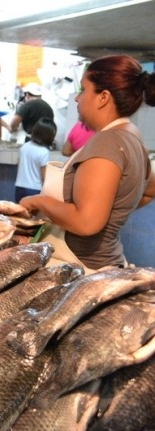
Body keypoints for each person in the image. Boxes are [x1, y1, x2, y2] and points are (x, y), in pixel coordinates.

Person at [20, 54, 155, 271]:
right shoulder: (132, 135)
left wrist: (39, 201)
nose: (77, 98)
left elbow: (86, 222)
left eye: (83, 89)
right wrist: (112, 213)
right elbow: (150, 190)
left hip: (79, 268)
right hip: (105, 261)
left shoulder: (108, 143)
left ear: (103, 97)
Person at [15, 117, 57, 202]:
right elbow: (44, 176)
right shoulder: (44, 152)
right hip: (34, 189)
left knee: (20, 213)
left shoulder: (24, 146)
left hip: (19, 186)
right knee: (33, 215)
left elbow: (18, 166)